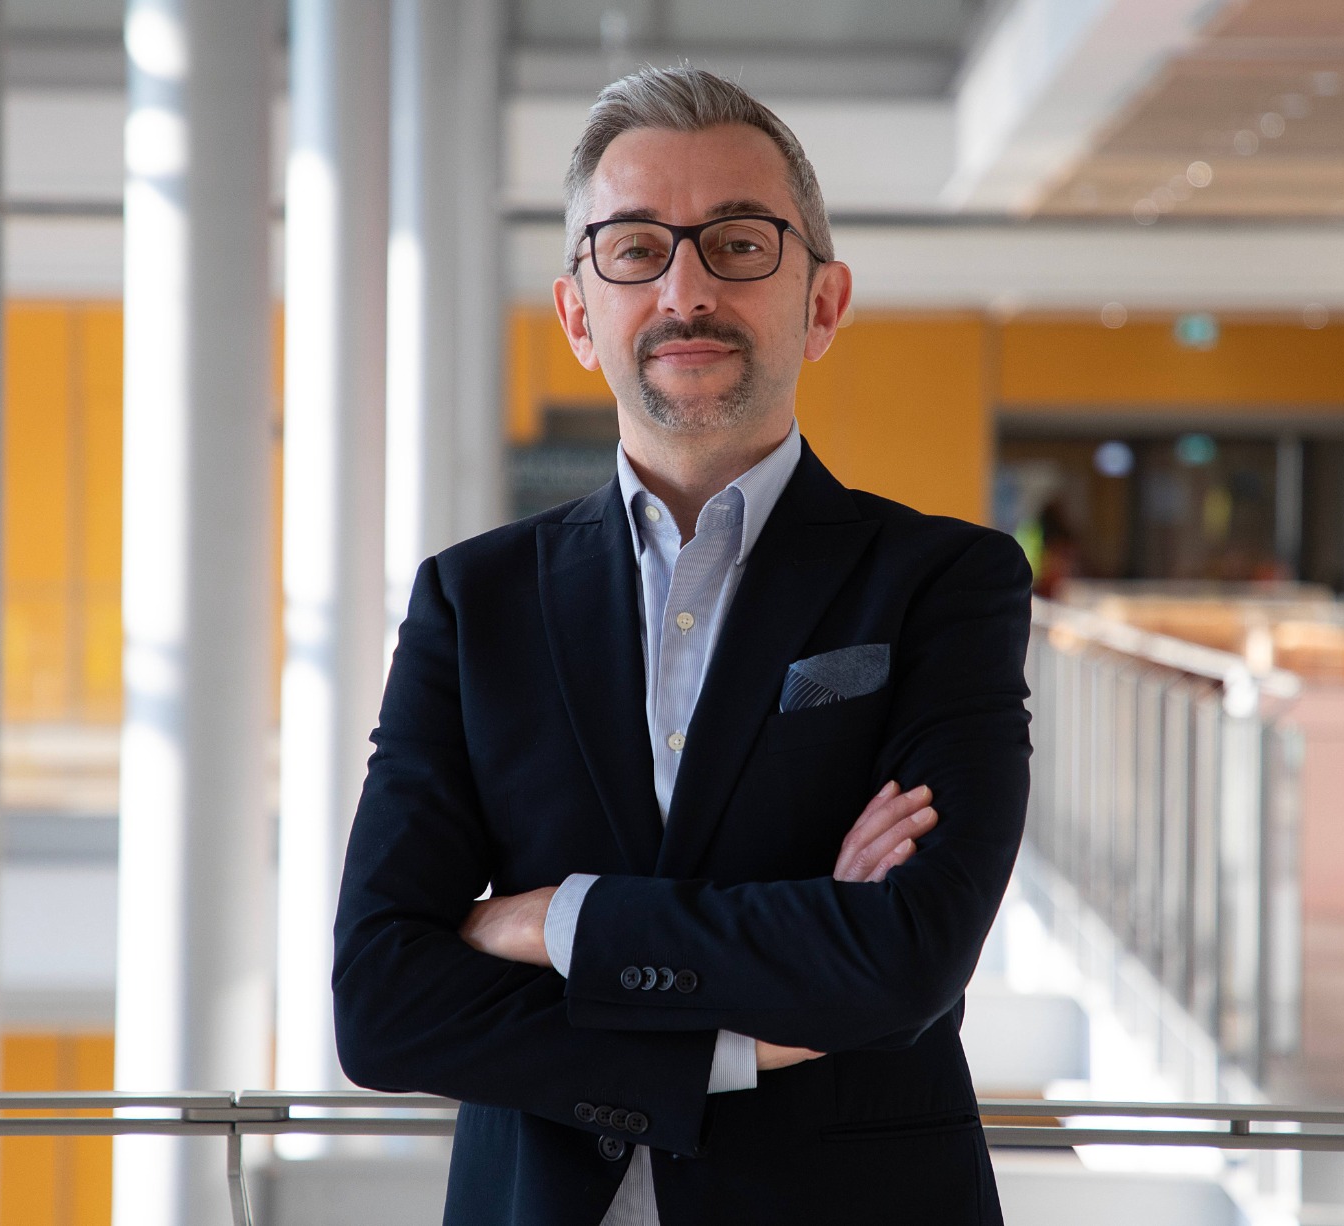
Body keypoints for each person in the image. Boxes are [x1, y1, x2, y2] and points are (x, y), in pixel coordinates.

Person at [333, 65, 1032, 1226]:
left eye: (740, 244)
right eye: (635, 247)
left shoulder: (944, 584)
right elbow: (383, 1001)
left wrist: (550, 920)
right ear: (577, 314)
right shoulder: (472, 601)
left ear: (821, 304)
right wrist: (737, 1039)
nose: (687, 288)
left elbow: (907, 953)